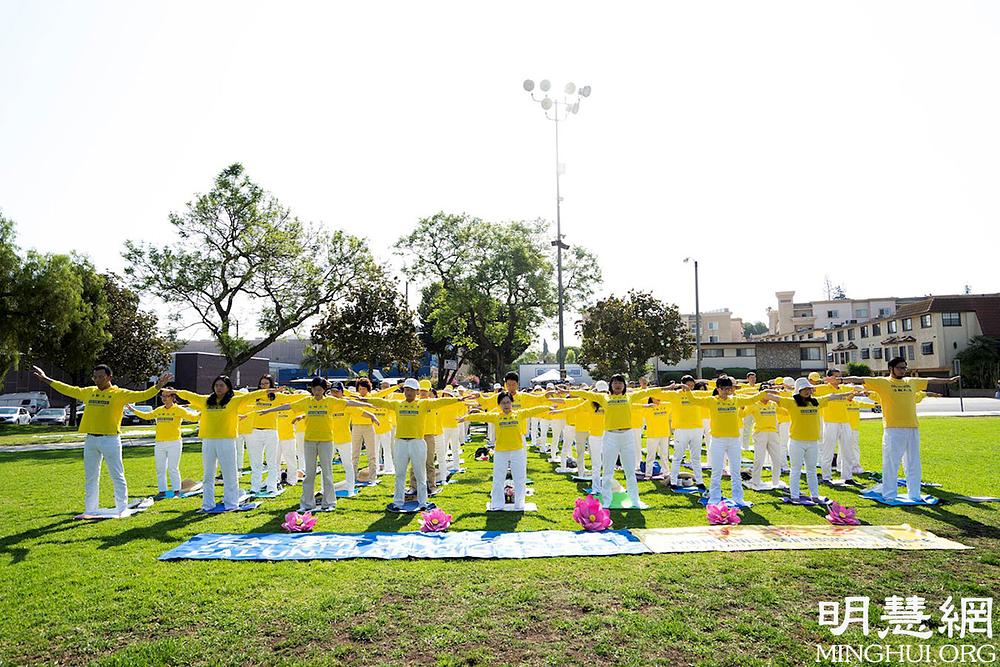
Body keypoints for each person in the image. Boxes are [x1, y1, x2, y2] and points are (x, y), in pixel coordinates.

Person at [32, 364, 174, 515]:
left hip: (110, 439)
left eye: (101, 377)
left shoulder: (119, 393)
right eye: (95, 377)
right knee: (91, 476)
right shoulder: (89, 392)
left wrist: (157, 387)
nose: (97, 380)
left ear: (109, 377)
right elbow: (68, 389)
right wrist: (46, 379)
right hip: (91, 439)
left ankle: (121, 508)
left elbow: (142, 395)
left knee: (116, 474)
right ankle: (90, 509)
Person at [841, 359, 959, 501]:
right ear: (891, 368)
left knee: (913, 463)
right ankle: (889, 494)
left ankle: (914, 495)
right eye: (900, 368)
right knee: (891, 462)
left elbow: (930, 379)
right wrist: (840, 379)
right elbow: (859, 379)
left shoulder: (911, 382)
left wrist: (949, 380)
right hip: (893, 429)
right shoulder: (883, 382)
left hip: (912, 428)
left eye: (905, 368)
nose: (903, 371)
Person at [257, 377, 376, 511]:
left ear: (324, 389)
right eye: (314, 389)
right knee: (310, 473)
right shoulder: (307, 401)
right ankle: (307, 504)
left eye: (319, 389)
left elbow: (348, 403)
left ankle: (329, 503)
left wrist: (367, 405)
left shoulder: (330, 401)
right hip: (309, 442)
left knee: (327, 473)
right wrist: (268, 411)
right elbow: (288, 406)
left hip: (326, 441)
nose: (317, 392)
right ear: (312, 389)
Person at [161, 377, 269, 512]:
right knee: (208, 476)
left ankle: (231, 504)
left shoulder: (233, 401)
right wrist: (176, 391)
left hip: (227, 441)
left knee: (230, 475)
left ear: (228, 388)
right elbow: (190, 395)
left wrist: (267, 391)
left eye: (222, 385)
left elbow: (251, 396)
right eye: (216, 385)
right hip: (209, 441)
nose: (218, 388)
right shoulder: (206, 400)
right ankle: (207, 505)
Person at [361, 379, 470, 510]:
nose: (408, 392)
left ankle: (423, 502)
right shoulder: (397, 404)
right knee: (400, 475)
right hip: (401, 442)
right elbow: (382, 402)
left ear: (417, 392)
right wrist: (366, 400)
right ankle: (398, 502)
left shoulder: (423, 404)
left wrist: (458, 400)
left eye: (411, 390)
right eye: (406, 389)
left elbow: (440, 402)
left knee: (420, 474)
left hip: (417, 442)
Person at [565, 374, 662, 509]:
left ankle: (635, 500)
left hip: (627, 436)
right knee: (608, 471)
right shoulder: (604, 397)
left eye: (620, 383)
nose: (618, 385)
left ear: (624, 385)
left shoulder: (629, 396)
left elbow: (647, 392)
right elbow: (585, 394)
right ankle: (606, 501)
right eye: (615, 383)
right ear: (611, 385)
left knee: (630, 471)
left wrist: (666, 388)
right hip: (610, 436)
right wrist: (567, 391)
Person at [766, 379, 855, 503]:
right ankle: (795, 495)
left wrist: (848, 394)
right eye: (804, 389)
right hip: (796, 442)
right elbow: (771, 397)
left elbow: (831, 397)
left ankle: (815, 495)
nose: (807, 391)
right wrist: (767, 390)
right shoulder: (791, 402)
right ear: (798, 390)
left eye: (808, 389)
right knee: (796, 469)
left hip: (812, 442)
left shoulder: (816, 402)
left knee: (812, 470)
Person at [463, 393, 550, 510]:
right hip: (500, 452)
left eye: (508, 402)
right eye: (503, 403)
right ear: (499, 405)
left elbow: (533, 410)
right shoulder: (496, 416)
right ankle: (497, 504)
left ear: (512, 403)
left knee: (520, 478)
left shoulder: (519, 414)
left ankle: (519, 504)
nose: (506, 405)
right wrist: (466, 418)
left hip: (517, 451)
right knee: (498, 478)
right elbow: (481, 416)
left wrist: (548, 407)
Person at [688, 377, 763, 508]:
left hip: (734, 440)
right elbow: (693, 400)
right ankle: (715, 497)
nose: (726, 392)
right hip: (717, 440)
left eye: (729, 389)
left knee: (735, 471)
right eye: (723, 389)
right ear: (718, 389)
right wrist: (686, 391)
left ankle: (738, 498)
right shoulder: (712, 400)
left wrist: (764, 392)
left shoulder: (735, 400)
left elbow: (752, 399)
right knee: (716, 471)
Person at [127, 391, 199, 498]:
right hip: (160, 443)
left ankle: (176, 490)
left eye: (167, 396)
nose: (164, 398)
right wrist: (133, 410)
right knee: (160, 468)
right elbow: (147, 416)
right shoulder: (159, 410)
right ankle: (162, 491)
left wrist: (204, 411)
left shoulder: (178, 409)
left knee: (173, 468)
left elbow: (193, 418)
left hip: (174, 442)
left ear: (172, 397)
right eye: (162, 396)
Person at [247, 375, 299, 495]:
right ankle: (255, 487)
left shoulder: (277, 397)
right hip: (256, 432)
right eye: (262, 384)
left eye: (266, 383)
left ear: (271, 385)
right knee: (256, 462)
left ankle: (272, 486)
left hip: (271, 432)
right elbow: (242, 397)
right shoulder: (256, 396)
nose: (263, 386)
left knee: (272, 461)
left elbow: (295, 398)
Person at [662, 376, 710, 490]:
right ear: (682, 384)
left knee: (696, 457)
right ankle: (673, 482)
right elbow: (660, 393)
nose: (690, 388)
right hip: (681, 430)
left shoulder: (696, 394)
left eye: (692, 386)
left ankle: (699, 481)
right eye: (688, 385)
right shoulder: (675, 395)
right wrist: (674, 387)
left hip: (697, 429)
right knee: (677, 457)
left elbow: (712, 393)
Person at [819, 369, 855, 485]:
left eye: (840, 377)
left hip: (845, 422)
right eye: (836, 377)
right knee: (828, 450)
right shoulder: (823, 389)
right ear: (829, 377)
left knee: (847, 450)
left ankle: (847, 477)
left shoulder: (845, 388)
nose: (839, 379)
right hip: (830, 422)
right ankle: (826, 477)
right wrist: (823, 381)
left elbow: (858, 389)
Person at [745, 392, 782, 491]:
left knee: (777, 459)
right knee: (759, 459)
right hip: (760, 433)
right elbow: (742, 414)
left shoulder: (773, 404)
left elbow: (785, 412)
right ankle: (755, 481)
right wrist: (742, 407)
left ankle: (776, 482)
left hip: (773, 432)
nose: (769, 395)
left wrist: (779, 402)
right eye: (766, 393)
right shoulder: (754, 405)